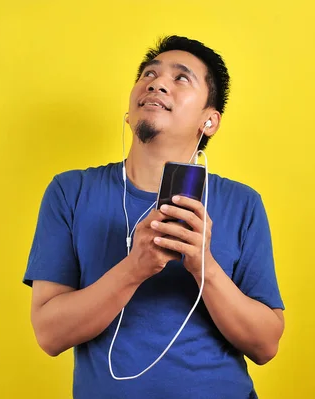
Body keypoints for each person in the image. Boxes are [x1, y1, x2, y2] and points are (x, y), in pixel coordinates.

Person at [22, 35, 285, 399]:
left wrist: (202, 263)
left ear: (209, 121)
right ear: (131, 110)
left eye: (181, 78)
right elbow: (49, 335)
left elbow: (265, 345)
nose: (156, 82)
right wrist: (135, 267)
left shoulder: (242, 203)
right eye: (148, 73)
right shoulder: (71, 191)